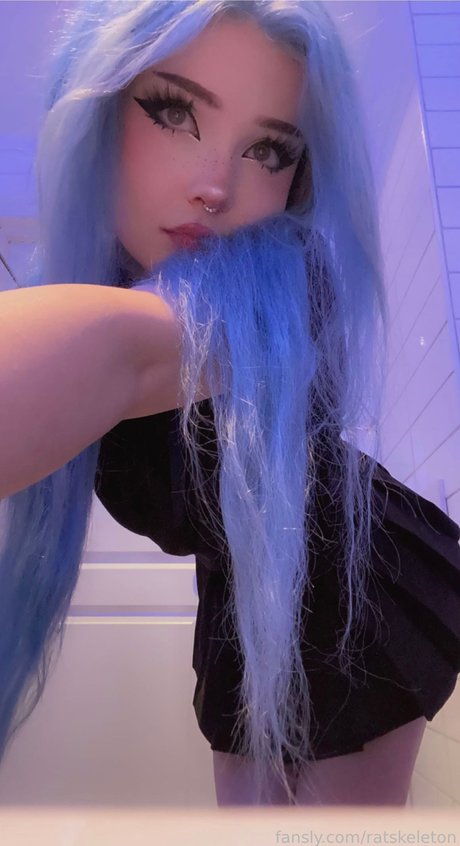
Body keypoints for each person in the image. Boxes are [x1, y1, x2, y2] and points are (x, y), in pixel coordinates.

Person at [1, 0, 459, 807]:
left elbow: (133, 352)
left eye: (268, 150)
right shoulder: (113, 273)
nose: (215, 187)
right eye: (175, 113)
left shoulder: (277, 285)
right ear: (97, 109)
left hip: (351, 592)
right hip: (247, 595)